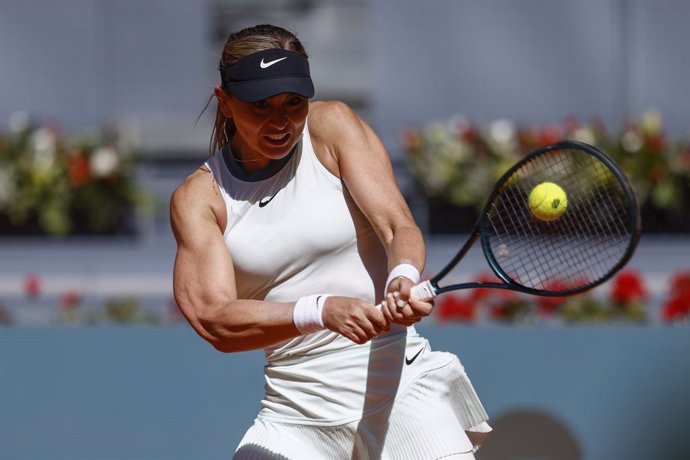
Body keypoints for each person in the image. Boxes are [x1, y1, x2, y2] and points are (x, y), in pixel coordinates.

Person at [170, 24, 491, 459]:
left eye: (293, 103)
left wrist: (402, 275)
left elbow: (398, 227)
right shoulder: (200, 199)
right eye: (260, 106)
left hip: (403, 392)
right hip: (293, 416)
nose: (280, 122)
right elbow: (216, 320)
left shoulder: (331, 126)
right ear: (225, 102)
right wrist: (321, 310)